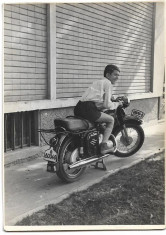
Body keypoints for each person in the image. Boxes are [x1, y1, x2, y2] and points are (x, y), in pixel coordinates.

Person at [74, 64, 123, 154]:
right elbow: (107, 104)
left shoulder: (98, 82)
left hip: (79, 107)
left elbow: (97, 101)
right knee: (111, 120)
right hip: (89, 109)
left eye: (118, 75)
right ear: (108, 75)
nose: (117, 78)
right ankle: (104, 146)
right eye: (115, 75)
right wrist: (117, 104)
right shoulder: (107, 83)